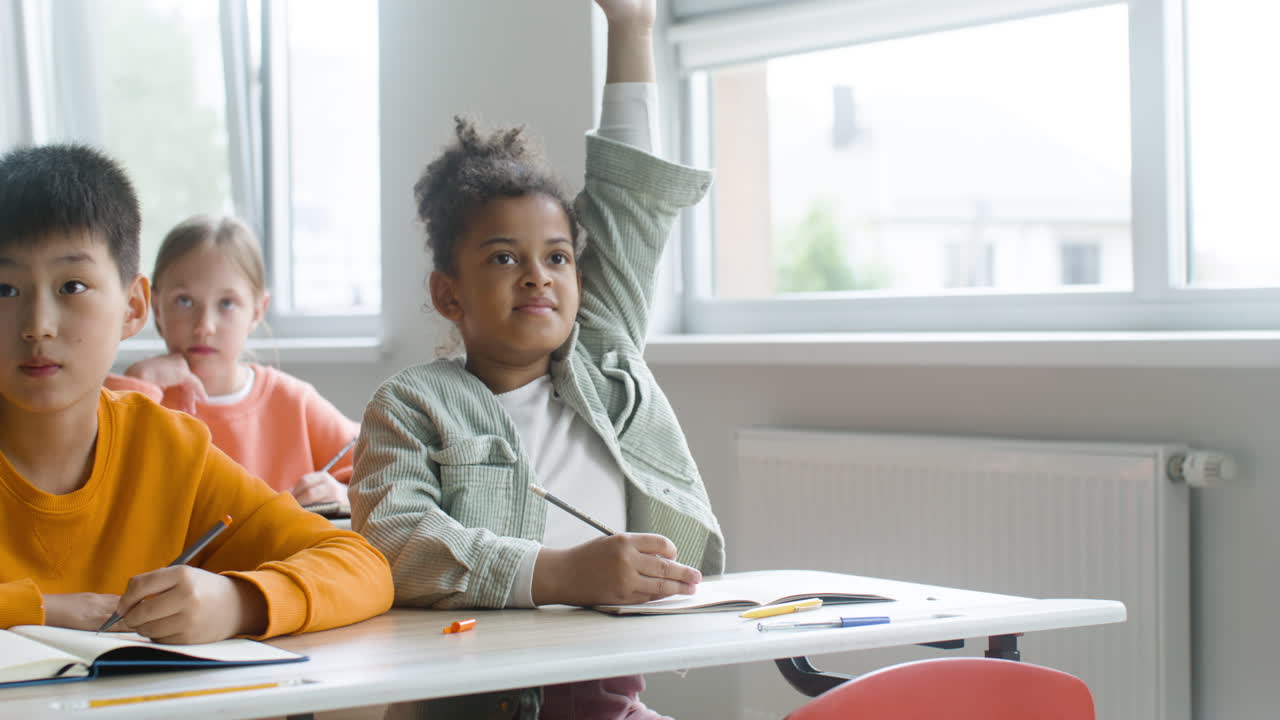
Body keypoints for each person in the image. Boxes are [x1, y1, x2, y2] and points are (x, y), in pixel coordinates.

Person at [350, 0, 723, 716]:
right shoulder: (410, 406)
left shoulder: (603, 354)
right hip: (474, 703)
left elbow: (630, 193)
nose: (538, 275)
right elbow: (400, 543)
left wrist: (632, 29)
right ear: (448, 293)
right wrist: (562, 574)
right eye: (503, 258)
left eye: (557, 256)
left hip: (609, 695)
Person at [0, 144, 392, 643]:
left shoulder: (168, 449)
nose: (37, 326)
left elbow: (363, 567)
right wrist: (37, 609)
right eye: (5, 290)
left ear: (134, 308)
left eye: (72, 286)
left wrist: (238, 602)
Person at [106, 215, 358, 506]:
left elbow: (387, 468)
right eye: (184, 301)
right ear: (156, 307)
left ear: (257, 310)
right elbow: (96, 481)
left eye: (226, 303)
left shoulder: (293, 401)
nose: (205, 326)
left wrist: (344, 495)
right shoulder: (139, 399)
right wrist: (139, 382)